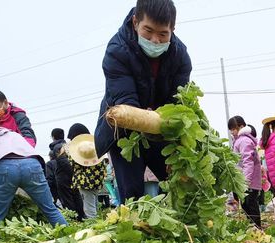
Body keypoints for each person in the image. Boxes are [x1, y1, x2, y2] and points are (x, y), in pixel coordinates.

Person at [95, 0, 192, 202]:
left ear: (172, 29)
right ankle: (134, 229)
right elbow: (126, 104)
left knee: (178, 185)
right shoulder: (117, 50)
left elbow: (177, 103)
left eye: (163, 34)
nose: (155, 40)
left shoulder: (180, 56)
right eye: (148, 31)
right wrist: (147, 115)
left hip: (160, 129)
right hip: (124, 131)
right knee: (132, 195)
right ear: (135, 21)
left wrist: (174, 139)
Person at [0, 127, 66, 226]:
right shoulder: (13, 134)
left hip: (3, 168)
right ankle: (68, 237)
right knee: (50, 209)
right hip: (32, 165)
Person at [228, 115, 262, 228]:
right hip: (245, 181)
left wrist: (245, 182)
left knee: (251, 205)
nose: (232, 132)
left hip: (249, 181)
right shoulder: (238, 141)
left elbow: (248, 162)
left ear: (241, 126)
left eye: (233, 129)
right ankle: (253, 228)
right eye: (230, 129)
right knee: (246, 205)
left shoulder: (244, 141)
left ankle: (257, 228)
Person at [68, 124, 106, 219]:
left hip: (84, 182)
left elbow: (74, 164)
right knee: (94, 205)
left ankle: (93, 227)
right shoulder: (95, 145)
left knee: (89, 209)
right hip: (97, 181)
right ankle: (98, 224)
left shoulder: (81, 148)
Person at [55, 141, 85, 221]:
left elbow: (69, 169)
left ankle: (74, 217)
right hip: (73, 181)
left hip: (64, 183)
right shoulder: (72, 158)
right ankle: (81, 216)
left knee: (68, 200)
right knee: (77, 198)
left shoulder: (61, 158)